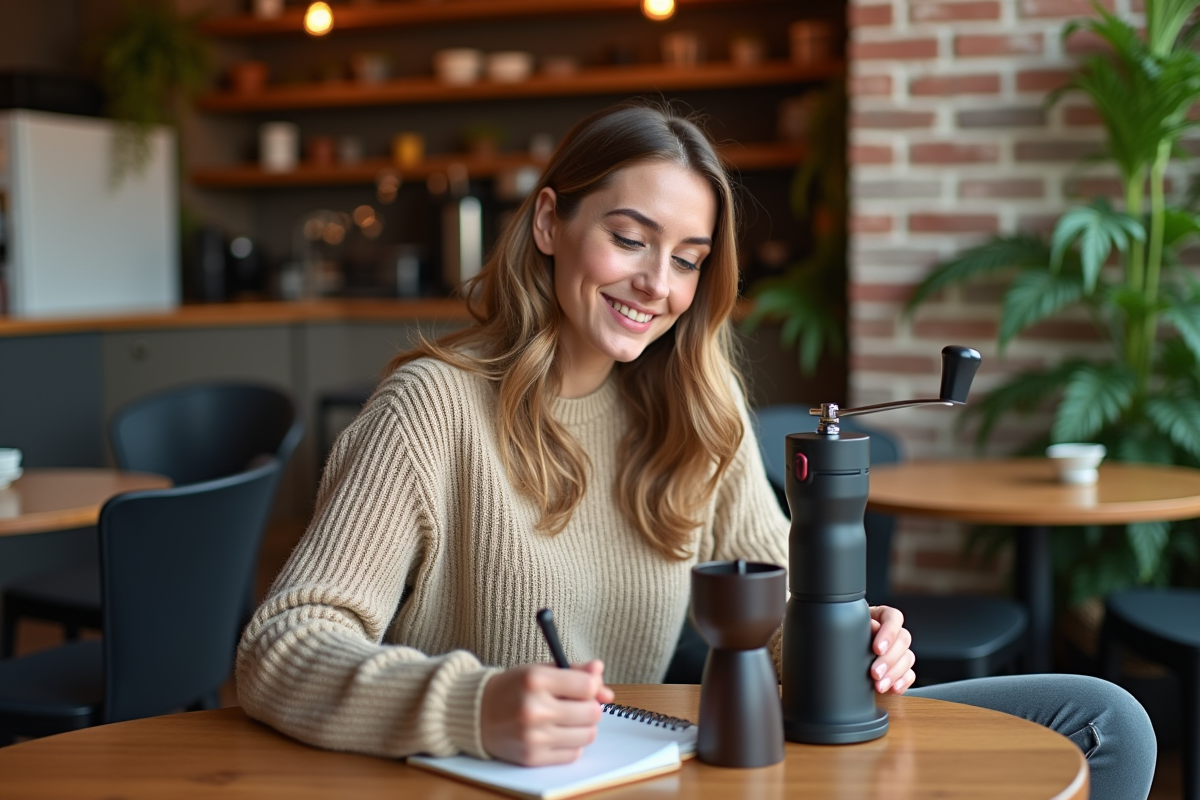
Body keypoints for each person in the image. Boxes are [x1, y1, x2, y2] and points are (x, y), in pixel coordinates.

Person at [236, 102, 1155, 798]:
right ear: (551, 225)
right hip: (492, 782)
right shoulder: (431, 410)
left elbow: (786, 614)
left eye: (687, 258)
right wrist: (470, 705)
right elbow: (281, 646)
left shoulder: (694, 414)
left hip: (656, 769)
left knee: (1103, 721)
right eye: (629, 239)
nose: (656, 284)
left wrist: (850, 643)